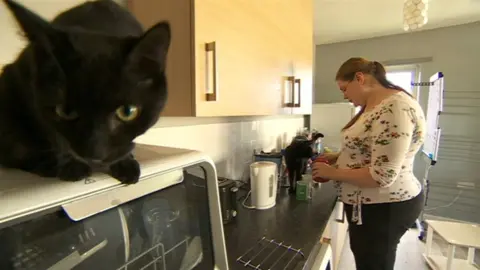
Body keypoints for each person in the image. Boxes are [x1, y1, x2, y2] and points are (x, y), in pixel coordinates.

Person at [312, 57, 426, 270]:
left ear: (360, 78)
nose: (345, 96)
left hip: (384, 208)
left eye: (344, 89)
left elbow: (382, 175)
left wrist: (333, 173)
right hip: (371, 207)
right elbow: (373, 147)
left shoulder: (395, 109)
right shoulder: (376, 105)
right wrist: (339, 157)